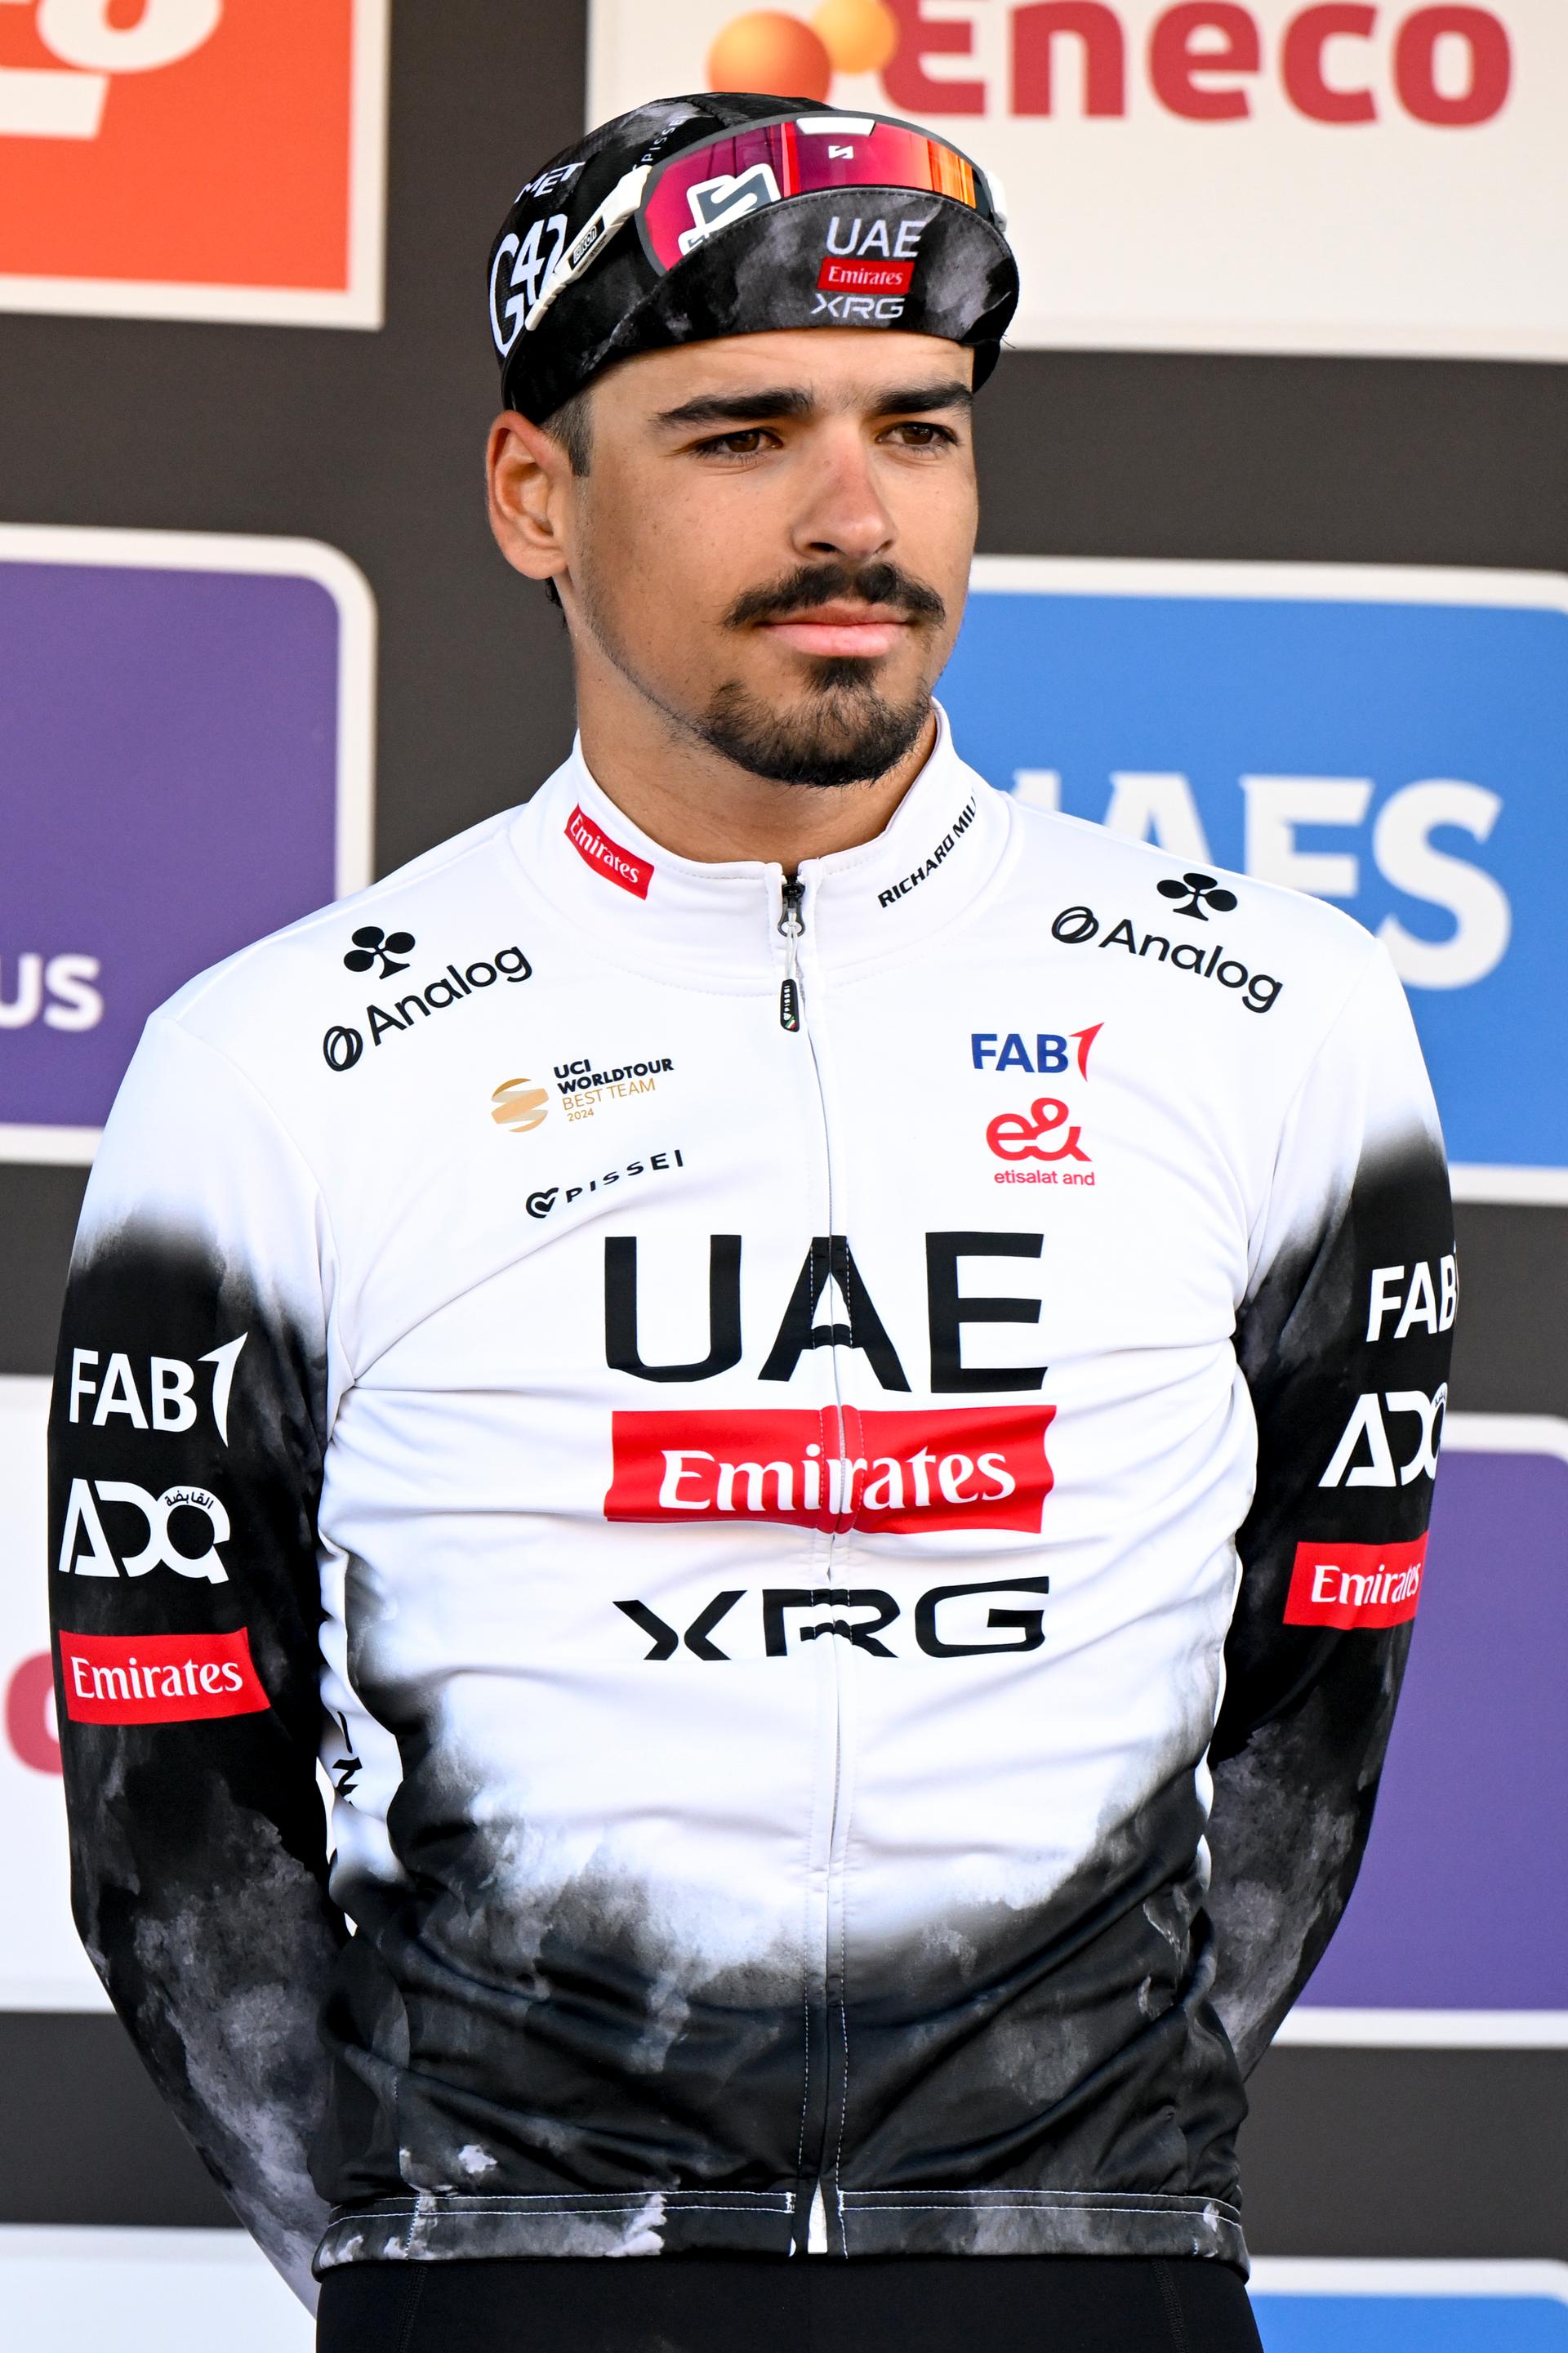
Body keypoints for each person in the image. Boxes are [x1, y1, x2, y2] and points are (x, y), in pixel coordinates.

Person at [49, 91, 1455, 2353]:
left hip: (1083, 2283)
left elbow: (1315, 1709)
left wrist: (1075, 2178)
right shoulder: (276, 1063)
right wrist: (449, 2250)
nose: (852, 515)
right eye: (740, 433)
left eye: (919, 427)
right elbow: (170, 1804)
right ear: (536, 495)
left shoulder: (1280, 1020)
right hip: (510, 2293)